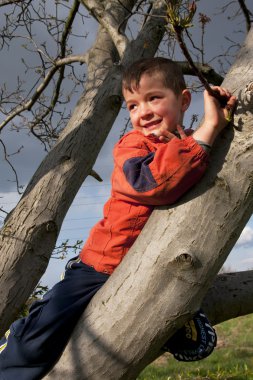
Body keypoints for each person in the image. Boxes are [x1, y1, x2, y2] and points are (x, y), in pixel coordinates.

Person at [0, 57, 237, 379]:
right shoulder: (133, 145)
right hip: (100, 265)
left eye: (154, 98)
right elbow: (151, 183)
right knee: (42, 328)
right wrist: (209, 128)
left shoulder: (186, 144)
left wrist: (210, 127)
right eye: (133, 105)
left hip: (149, 265)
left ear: (183, 100)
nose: (144, 112)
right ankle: (9, 368)